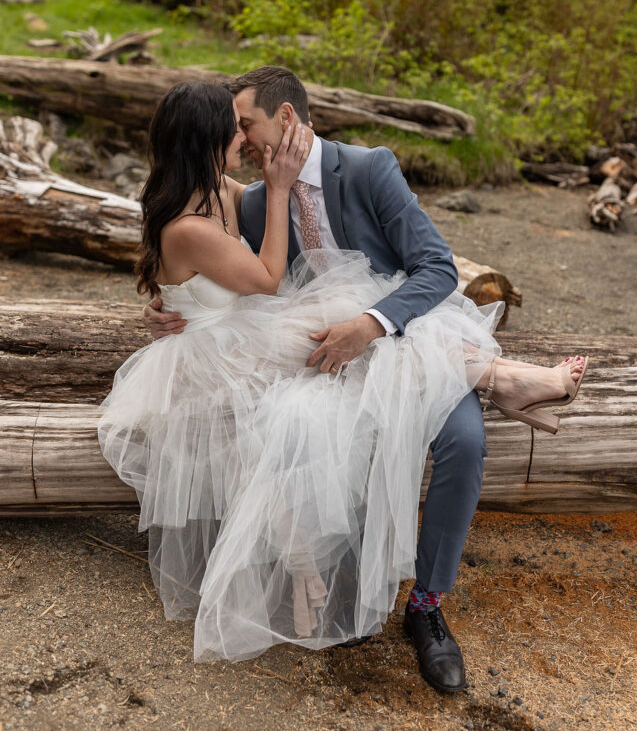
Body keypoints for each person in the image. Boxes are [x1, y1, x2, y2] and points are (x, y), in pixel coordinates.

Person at [106, 69, 587, 691]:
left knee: (464, 443)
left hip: (401, 336)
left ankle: (427, 607)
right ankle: (499, 383)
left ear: (285, 119)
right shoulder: (250, 201)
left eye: (247, 126)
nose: (244, 142)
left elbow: (437, 268)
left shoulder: (368, 169)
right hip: (301, 353)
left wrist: (372, 323)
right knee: (298, 423)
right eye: (232, 132)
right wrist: (172, 308)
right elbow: (219, 275)